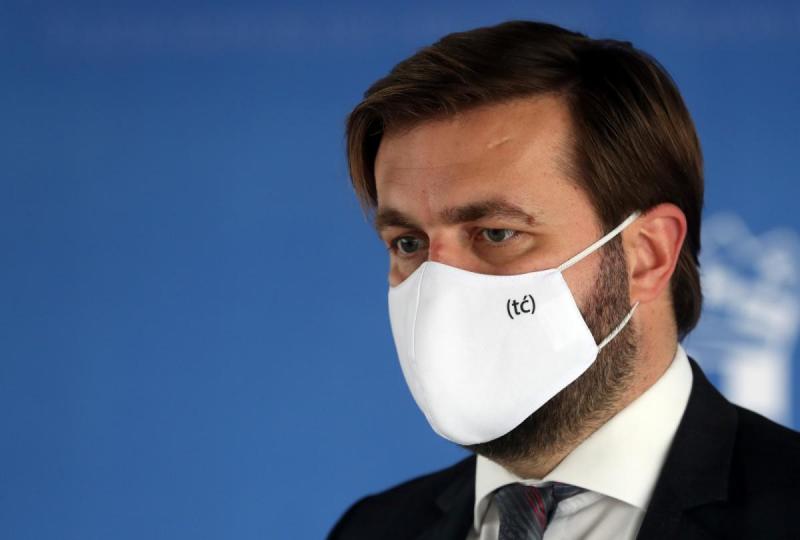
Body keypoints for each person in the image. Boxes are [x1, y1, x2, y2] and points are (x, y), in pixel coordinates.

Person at [328, 20, 800, 540]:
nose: (441, 290)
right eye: (408, 243)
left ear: (648, 254)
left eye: (497, 233)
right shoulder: (373, 529)